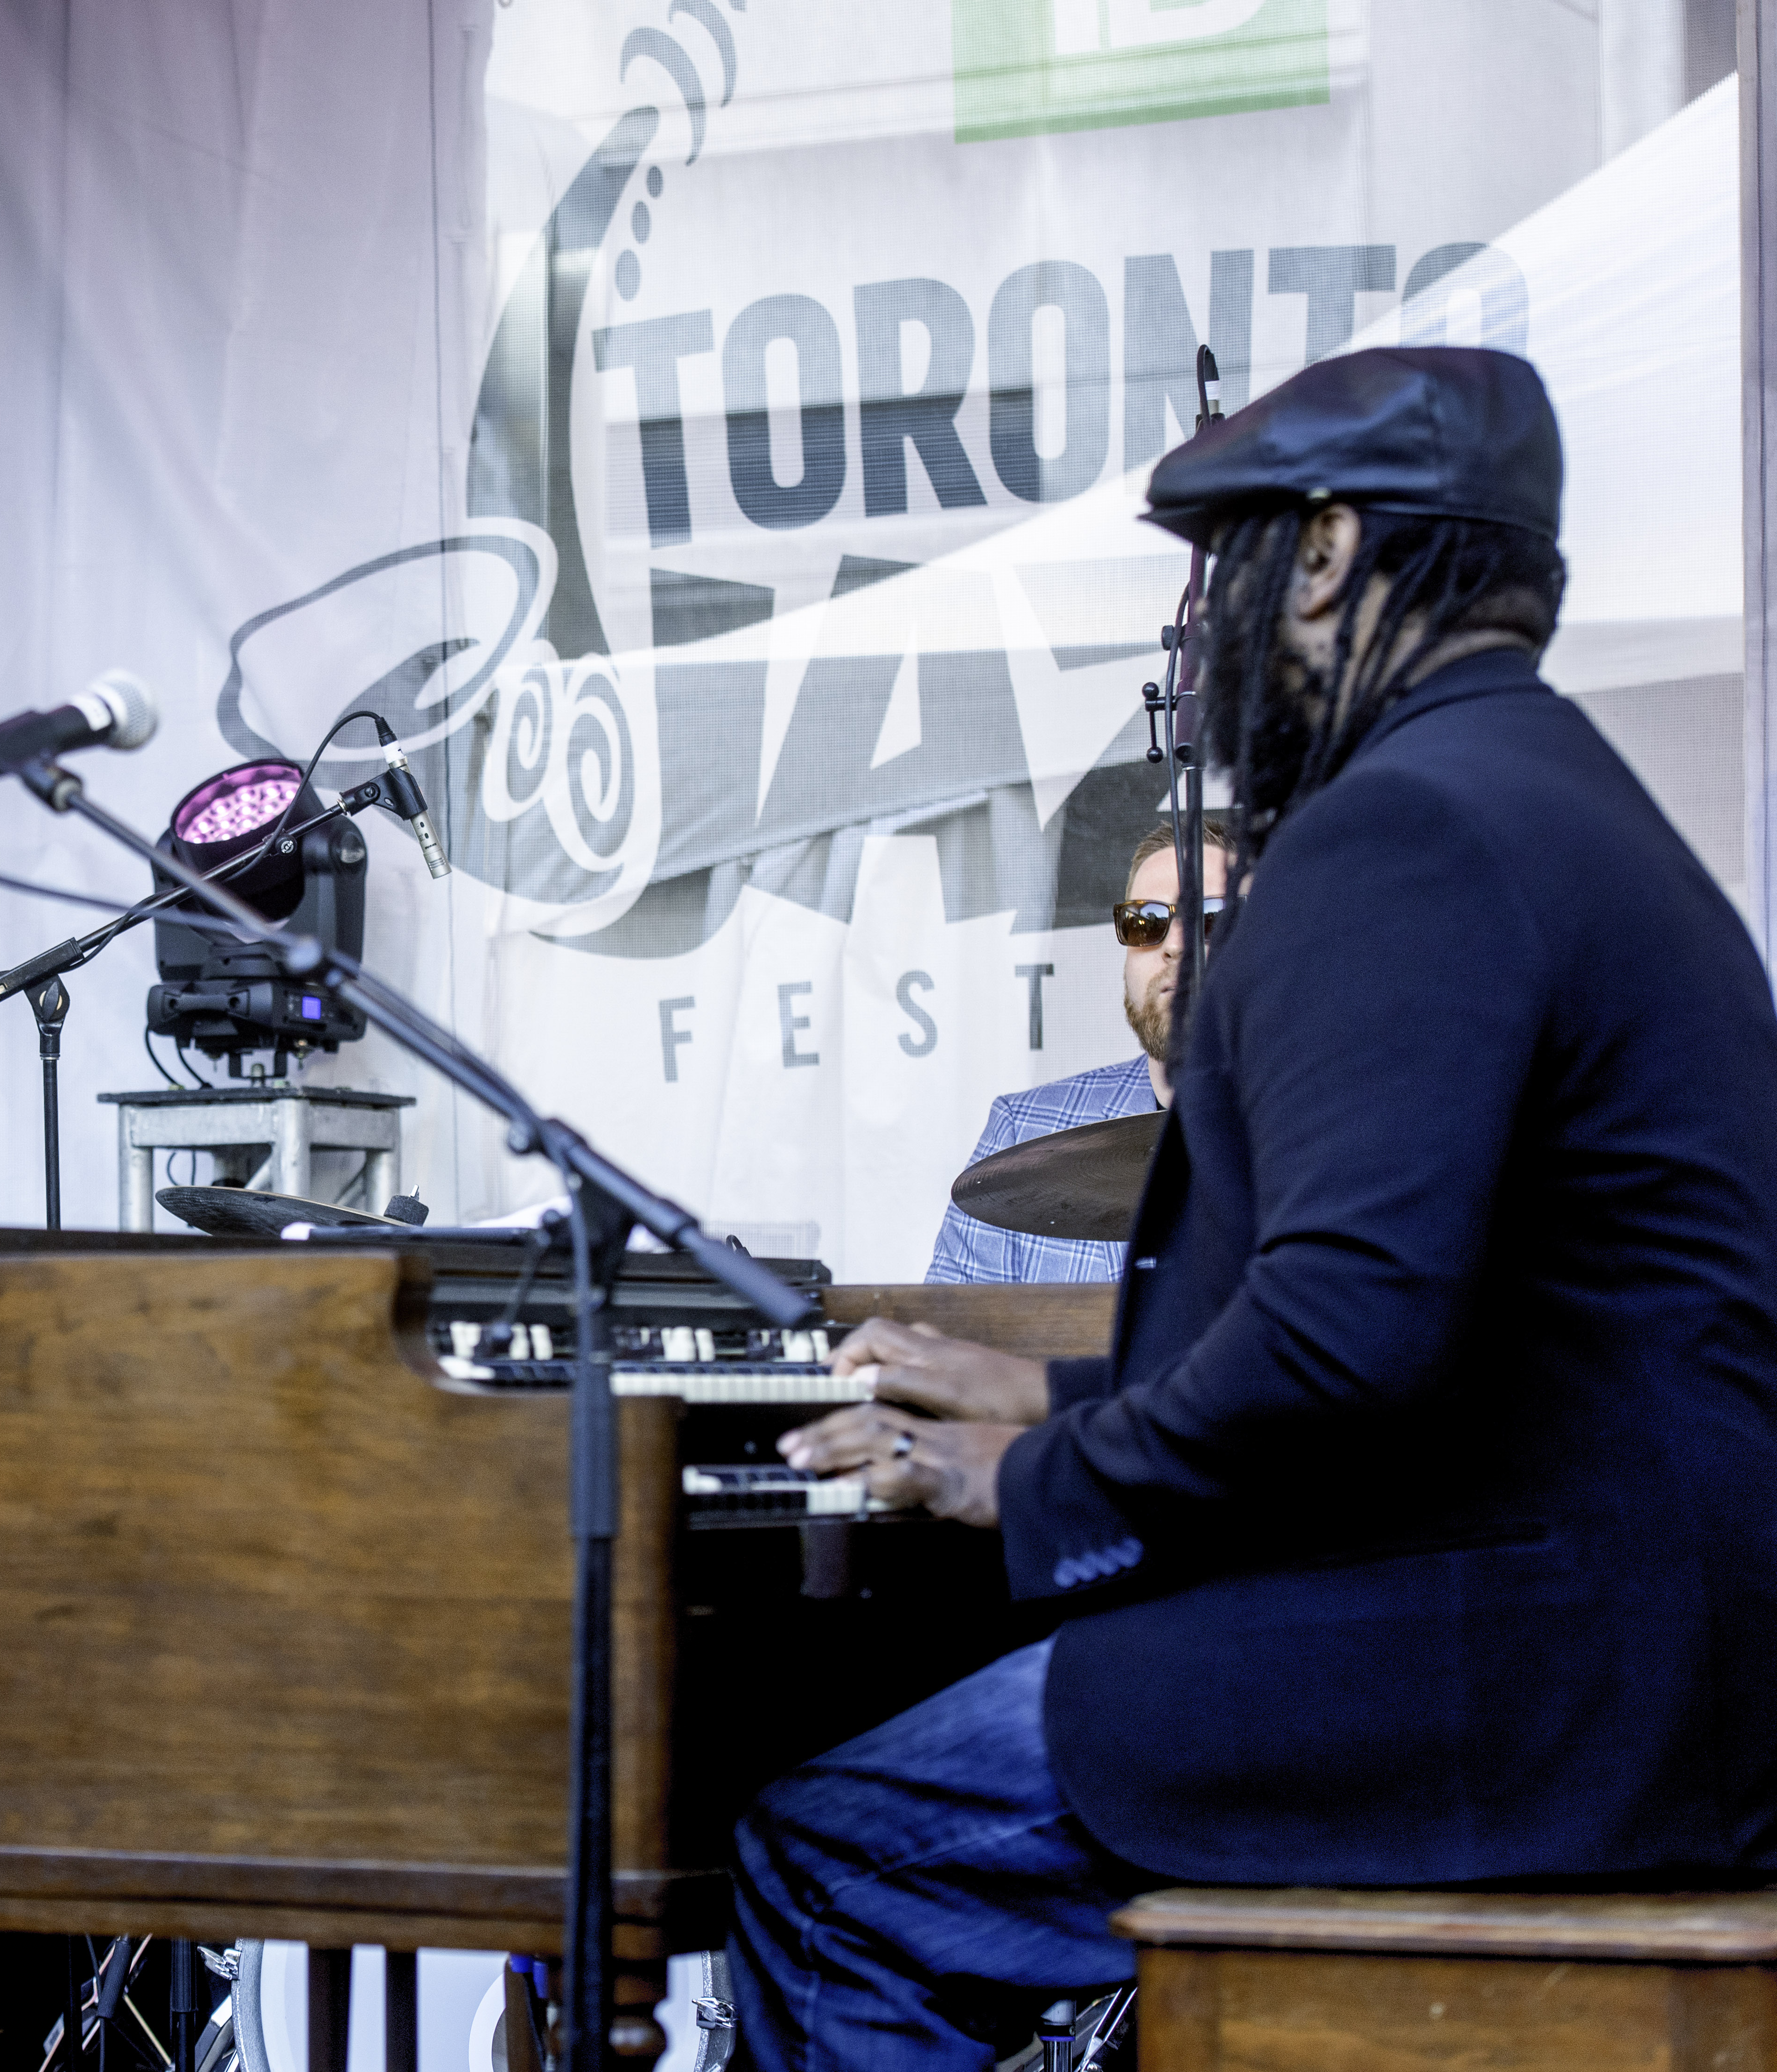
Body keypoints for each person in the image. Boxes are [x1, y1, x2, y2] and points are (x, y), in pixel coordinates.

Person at [734, 345, 1777, 2068]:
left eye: (1220, 567)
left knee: (827, 1851)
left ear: (1323, 551)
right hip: (1645, 1660)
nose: (1202, 629)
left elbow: (1345, 1340)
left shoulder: (1400, 834)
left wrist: (1035, 1475)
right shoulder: (1567, 808)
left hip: (1516, 1685)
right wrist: (1053, 1390)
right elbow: (1473, 1349)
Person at [924, 820, 1235, 1283]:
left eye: (1212, 918)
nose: (1174, 945)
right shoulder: (1023, 1133)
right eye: (1145, 921)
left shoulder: (1335, 1135)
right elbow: (948, 1345)